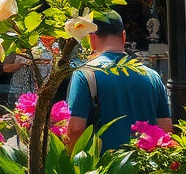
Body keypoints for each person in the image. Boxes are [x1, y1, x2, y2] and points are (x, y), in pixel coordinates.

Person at [66, 13, 172, 151]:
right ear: (123, 36)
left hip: (103, 163)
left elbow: (75, 129)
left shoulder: (85, 74)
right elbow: (165, 127)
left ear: (92, 38)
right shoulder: (152, 76)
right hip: (145, 161)